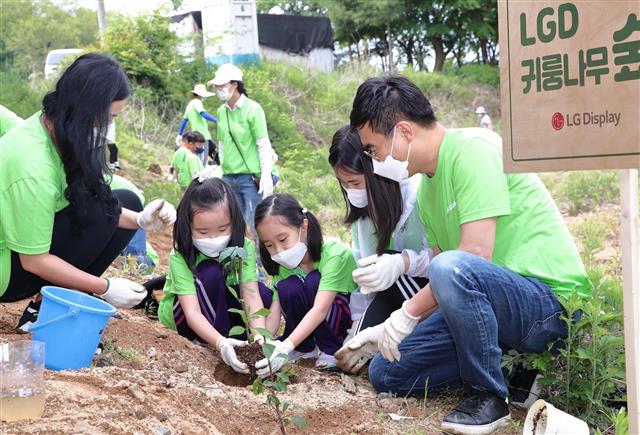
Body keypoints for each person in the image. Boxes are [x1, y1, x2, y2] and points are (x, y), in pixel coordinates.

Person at [341, 76, 591, 435]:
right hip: (497, 306)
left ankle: (488, 396)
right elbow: (449, 264)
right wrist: (388, 327)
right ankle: (508, 364)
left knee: (451, 265)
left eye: (373, 148)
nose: (372, 159)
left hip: (549, 304)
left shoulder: (474, 148)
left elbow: (471, 255)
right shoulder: (428, 187)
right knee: (388, 371)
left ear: (404, 132)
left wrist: (406, 314)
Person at [0, 53, 176, 330]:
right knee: (106, 210)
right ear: (82, 111)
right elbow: (33, 260)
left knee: (125, 200)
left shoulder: (55, 129)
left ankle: (48, 303)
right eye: (107, 118)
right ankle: (47, 307)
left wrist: (140, 221)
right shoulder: (34, 169)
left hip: (25, 252)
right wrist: (104, 287)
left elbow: (92, 200)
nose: (110, 129)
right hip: (10, 271)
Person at [328, 125, 432, 374]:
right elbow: (363, 274)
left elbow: (445, 259)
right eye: (344, 184)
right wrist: (356, 327)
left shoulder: (417, 195)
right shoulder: (363, 217)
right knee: (366, 363)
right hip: (392, 295)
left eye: (355, 182)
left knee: (389, 260)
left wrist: (401, 263)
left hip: (430, 295)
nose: (351, 191)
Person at [158, 177, 270, 374]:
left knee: (263, 292)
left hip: (217, 301)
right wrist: (221, 342)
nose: (214, 239)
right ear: (188, 226)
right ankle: (216, 340)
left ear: (234, 222)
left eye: (222, 229)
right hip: (184, 314)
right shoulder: (181, 255)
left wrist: (261, 338)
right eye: (202, 232)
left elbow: (251, 294)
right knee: (212, 271)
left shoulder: (244, 247)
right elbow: (191, 311)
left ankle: (238, 340)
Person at [253, 194, 356, 374]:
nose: (278, 251)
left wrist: (285, 346)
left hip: (343, 321)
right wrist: (261, 343)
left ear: (304, 226)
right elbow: (275, 314)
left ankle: (331, 349)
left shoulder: (334, 255)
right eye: (269, 245)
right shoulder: (284, 267)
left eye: (283, 239)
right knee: (288, 287)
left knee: (312, 281)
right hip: (312, 324)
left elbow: (320, 309)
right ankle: (305, 347)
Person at [209, 63, 277, 231]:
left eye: (221, 85)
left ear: (234, 84)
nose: (218, 89)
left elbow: (262, 143)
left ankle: (262, 258)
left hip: (250, 178)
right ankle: (238, 258)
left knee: (257, 223)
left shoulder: (253, 109)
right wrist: (220, 167)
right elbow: (222, 143)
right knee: (234, 224)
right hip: (229, 177)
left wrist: (266, 174)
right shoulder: (221, 111)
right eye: (216, 86)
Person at [176, 84, 218, 166]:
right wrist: (217, 121)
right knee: (202, 160)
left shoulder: (190, 105)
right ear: (201, 95)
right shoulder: (197, 102)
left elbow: (184, 120)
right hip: (203, 137)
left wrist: (179, 134)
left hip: (196, 136)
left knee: (215, 155)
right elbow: (203, 113)